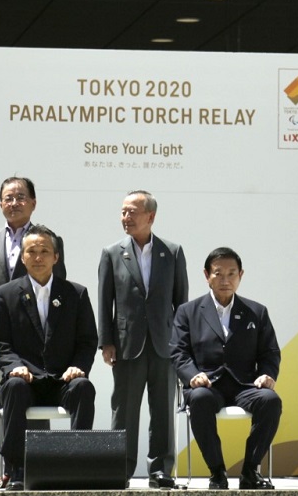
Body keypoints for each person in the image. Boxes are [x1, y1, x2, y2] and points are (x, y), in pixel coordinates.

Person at [0, 224, 97, 491]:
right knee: (12, 387)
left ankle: (76, 465)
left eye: (45, 251)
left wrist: (78, 367)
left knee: (84, 387)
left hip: (62, 381)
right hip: (26, 381)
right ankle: (16, 470)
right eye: (32, 251)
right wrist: (14, 367)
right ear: (23, 257)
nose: (38, 257)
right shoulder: (5, 295)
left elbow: (87, 341)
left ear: (56, 257)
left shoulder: (76, 293)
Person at [171, 248, 282, 490]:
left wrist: (267, 374)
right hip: (207, 385)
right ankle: (217, 472)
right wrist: (192, 376)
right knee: (199, 399)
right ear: (206, 275)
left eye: (232, 273)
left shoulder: (257, 312)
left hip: (245, 385)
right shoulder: (187, 312)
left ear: (241, 275)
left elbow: (270, 352)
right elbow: (178, 352)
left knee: (270, 400)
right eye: (218, 273)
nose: (225, 280)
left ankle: (250, 471)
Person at [98, 190, 189, 487]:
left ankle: (160, 469)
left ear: (151, 216)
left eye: (132, 212)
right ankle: (118, 468)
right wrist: (106, 341)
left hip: (164, 345)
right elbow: (104, 302)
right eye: (123, 211)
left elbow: (181, 304)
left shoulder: (172, 252)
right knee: (123, 409)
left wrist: (180, 345)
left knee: (162, 410)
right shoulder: (112, 253)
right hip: (126, 345)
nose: (126, 217)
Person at [0, 176, 67, 363]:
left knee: (37, 385)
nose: (14, 203)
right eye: (8, 198)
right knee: (1, 387)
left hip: (38, 327)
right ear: (1, 204)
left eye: (21, 197)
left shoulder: (50, 241)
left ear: (33, 203)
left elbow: (59, 288)